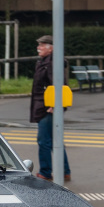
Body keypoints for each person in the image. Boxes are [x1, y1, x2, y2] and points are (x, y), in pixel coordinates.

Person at [30, 35, 70, 182]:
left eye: (42, 45)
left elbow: (57, 84)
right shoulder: (46, 62)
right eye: (39, 45)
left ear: (50, 48)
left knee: (43, 140)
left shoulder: (51, 63)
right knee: (55, 140)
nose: (38, 47)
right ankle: (65, 170)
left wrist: (55, 104)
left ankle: (46, 172)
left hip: (46, 107)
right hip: (46, 105)